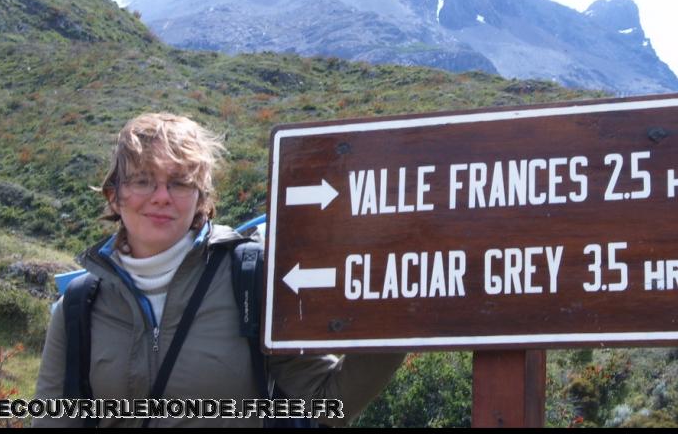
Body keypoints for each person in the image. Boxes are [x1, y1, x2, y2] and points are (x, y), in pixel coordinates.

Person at [34, 112, 404, 427]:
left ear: (202, 198)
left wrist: (405, 312)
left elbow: (328, 400)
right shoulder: (81, 304)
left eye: (179, 182)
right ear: (114, 195)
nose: (161, 195)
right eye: (142, 180)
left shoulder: (253, 279)